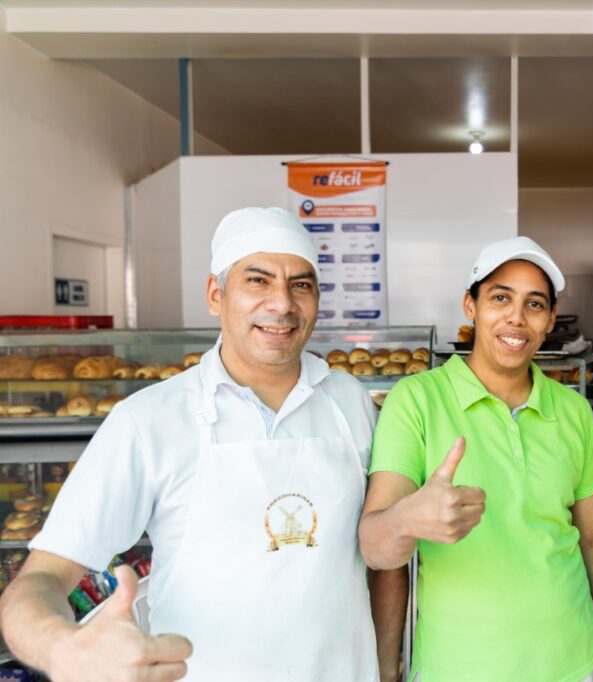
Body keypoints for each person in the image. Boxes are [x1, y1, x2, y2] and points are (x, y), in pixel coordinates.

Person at [0, 207, 407, 681]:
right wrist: (62, 648)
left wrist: (386, 669)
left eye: (300, 285)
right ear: (216, 294)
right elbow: (41, 577)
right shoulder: (148, 419)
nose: (282, 304)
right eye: (257, 281)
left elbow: (381, 559)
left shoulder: (350, 402)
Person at [359, 236, 593, 682]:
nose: (516, 318)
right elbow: (374, 547)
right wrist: (408, 517)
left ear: (550, 321)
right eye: (500, 298)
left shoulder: (572, 409)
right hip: (459, 668)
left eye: (534, 304)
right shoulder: (416, 400)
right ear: (470, 306)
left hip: (575, 659)